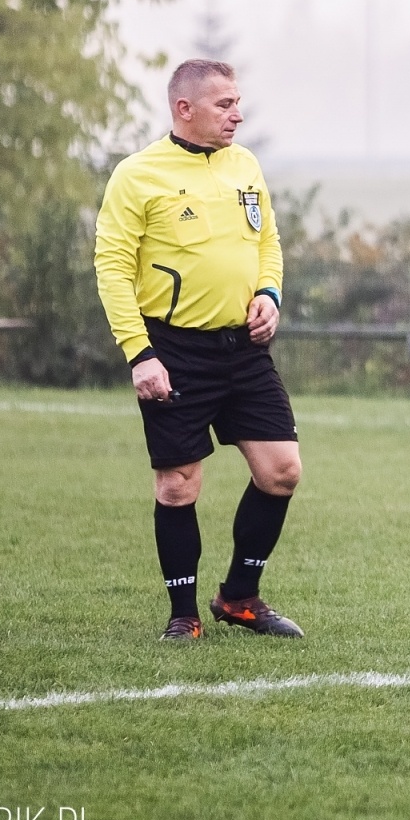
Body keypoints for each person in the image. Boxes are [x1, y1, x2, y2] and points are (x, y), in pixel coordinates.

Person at [94, 59, 304, 641]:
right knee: (178, 485)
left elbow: (268, 242)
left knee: (282, 471)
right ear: (183, 109)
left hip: (244, 349)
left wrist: (269, 293)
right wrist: (140, 354)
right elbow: (111, 268)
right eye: (224, 105)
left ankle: (239, 597)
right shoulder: (137, 176)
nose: (237, 115)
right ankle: (183, 616)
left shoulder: (244, 166)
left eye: (238, 103)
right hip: (173, 350)